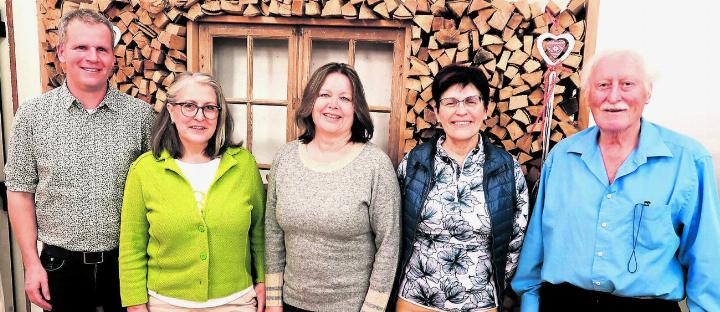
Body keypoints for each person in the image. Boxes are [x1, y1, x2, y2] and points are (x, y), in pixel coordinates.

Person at [512, 50, 720, 312]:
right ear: (588, 94)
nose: (613, 97)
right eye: (602, 85)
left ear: (648, 92)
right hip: (563, 304)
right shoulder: (562, 158)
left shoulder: (688, 160)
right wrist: (530, 304)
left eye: (627, 84)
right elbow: (537, 245)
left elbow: (706, 258)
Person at [4, 9, 155, 312]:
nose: (93, 57)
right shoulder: (33, 117)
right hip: (59, 267)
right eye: (81, 47)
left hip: (125, 265)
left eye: (102, 49)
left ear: (113, 58)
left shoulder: (142, 117)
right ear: (61, 52)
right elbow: (19, 192)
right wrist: (31, 264)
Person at [119, 72, 266, 311]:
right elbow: (132, 246)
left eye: (209, 107)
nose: (200, 116)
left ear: (219, 114)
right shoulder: (144, 170)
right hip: (165, 304)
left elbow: (259, 233)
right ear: (171, 111)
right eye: (189, 106)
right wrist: (135, 303)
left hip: (236, 302)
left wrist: (263, 280)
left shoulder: (243, 166)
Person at [391, 64, 529, 312]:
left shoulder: (507, 168)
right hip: (416, 298)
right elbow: (395, 229)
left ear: (486, 109)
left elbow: (517, 236)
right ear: (436, 110)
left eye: (471, 101)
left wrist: (489, 282)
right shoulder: (415, 163)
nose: (461, 111)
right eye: (451, 102)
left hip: (479, 302)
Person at [264, 62, 400, 312]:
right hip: (290, 303)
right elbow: (273, 235)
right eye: (324, 94)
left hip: (353, 307)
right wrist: (273, 301)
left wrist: (373, 308)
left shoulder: (375, 165)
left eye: (345, 98)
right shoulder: (285, 158)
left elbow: (389, 244)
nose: (333, 104)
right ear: (310, 102)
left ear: (356, 108)